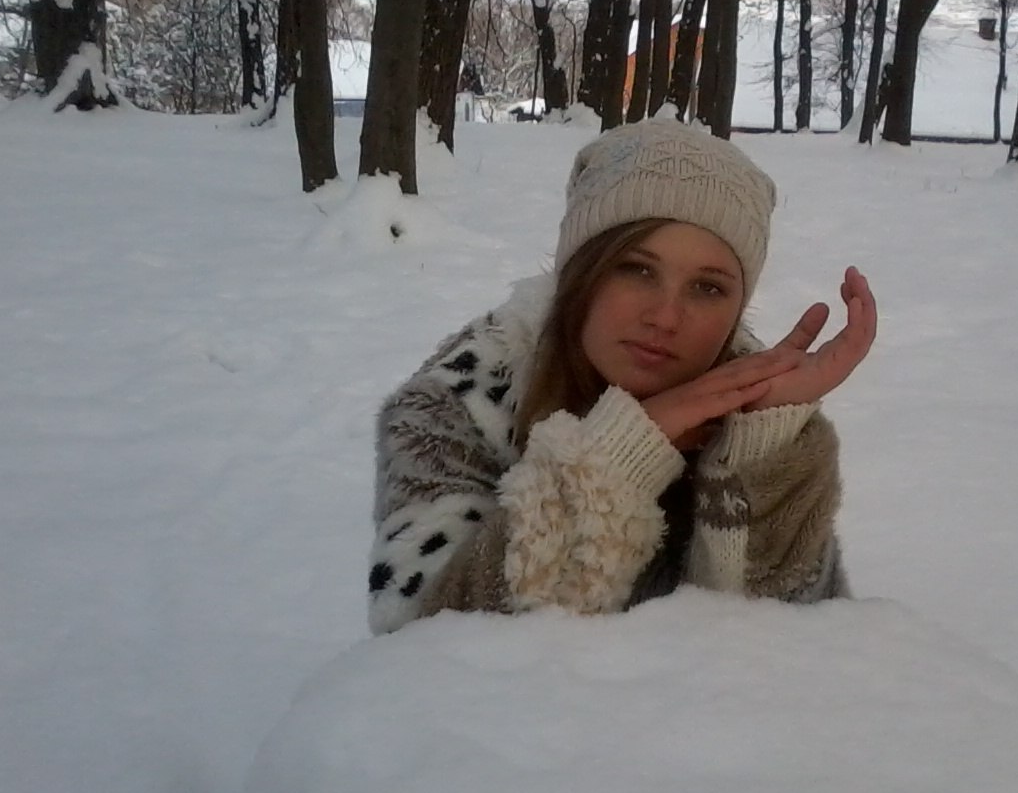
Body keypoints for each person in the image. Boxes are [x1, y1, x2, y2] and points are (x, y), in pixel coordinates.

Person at [365, 119, 876, 633]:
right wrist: (615, 460)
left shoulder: (751, 411)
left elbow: (790, 653)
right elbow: (423, 651)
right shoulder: (456, 411)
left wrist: (762, 450)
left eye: (708, 288)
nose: (666, 317)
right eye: (637, 269)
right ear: (579, 274)